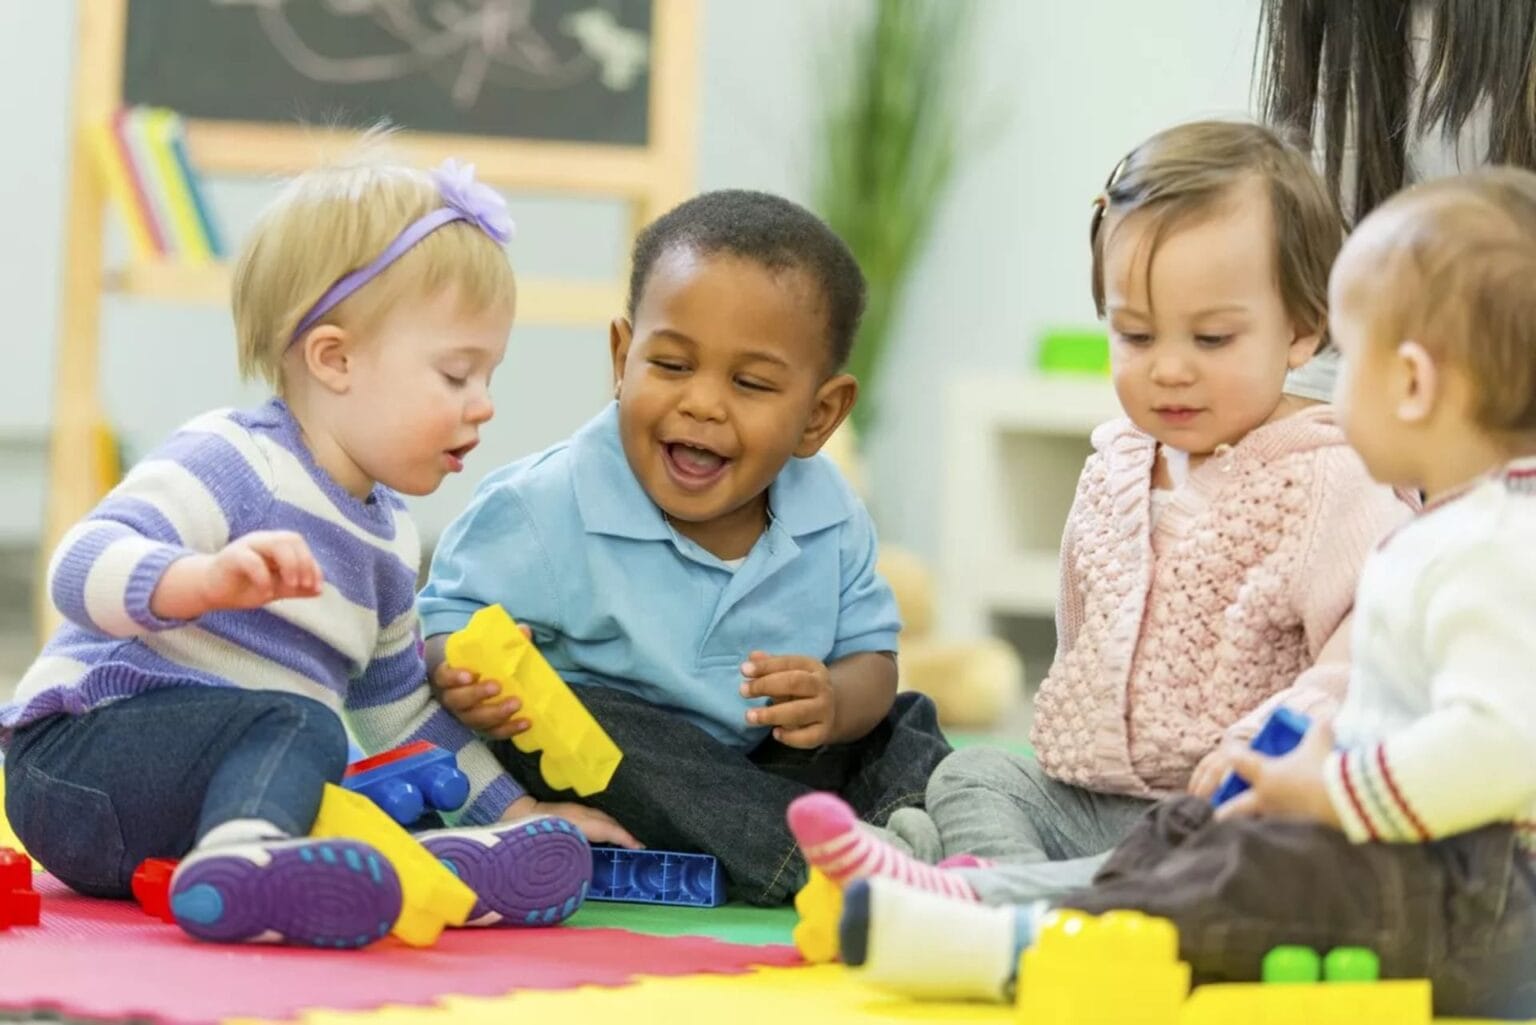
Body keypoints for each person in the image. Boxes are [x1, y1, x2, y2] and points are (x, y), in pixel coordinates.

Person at [2, 154, 592, 947]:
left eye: (490, 374)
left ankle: (428, 866)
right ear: (335, 358)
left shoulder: (387, 539)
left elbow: (405, 712)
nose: (484, 405)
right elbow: (78, 567)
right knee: (304, 729)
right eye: (457, 374)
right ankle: (254, 859)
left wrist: (520, 812)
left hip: (196, 799)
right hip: (77, 769)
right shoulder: (235, 460)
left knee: (337, 762)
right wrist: (196, 580)